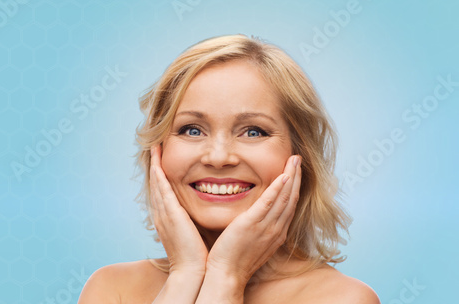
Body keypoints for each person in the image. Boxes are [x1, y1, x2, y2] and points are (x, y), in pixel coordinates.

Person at [78, 34, 380, 303]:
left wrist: (226, 277)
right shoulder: (111, 289)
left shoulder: (344, 299)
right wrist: (186, 274)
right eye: (192, 130)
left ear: (300, 155)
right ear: (157, 151)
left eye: (253, 132)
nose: (219, 157)